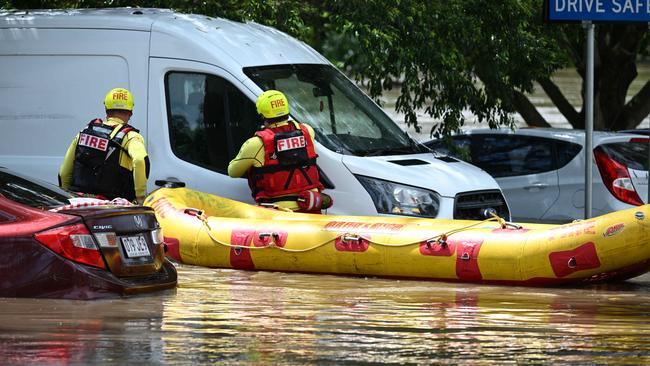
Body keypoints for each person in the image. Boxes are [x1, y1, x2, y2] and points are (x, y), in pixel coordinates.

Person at [228, 90, 332, 213]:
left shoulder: (256, 143)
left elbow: (233, 172)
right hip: (312, 210)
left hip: (279, 215)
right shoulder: (307, 131)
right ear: (287, 110)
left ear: (261, 115)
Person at [59, 87, 150, 204]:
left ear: (106, 110)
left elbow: (64, 172)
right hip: (110, 208)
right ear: (130, 112)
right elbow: (140, 160)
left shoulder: (85, 131)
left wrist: (68, 195)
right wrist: (140, 197)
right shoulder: (130, 137)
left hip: (78, 203)